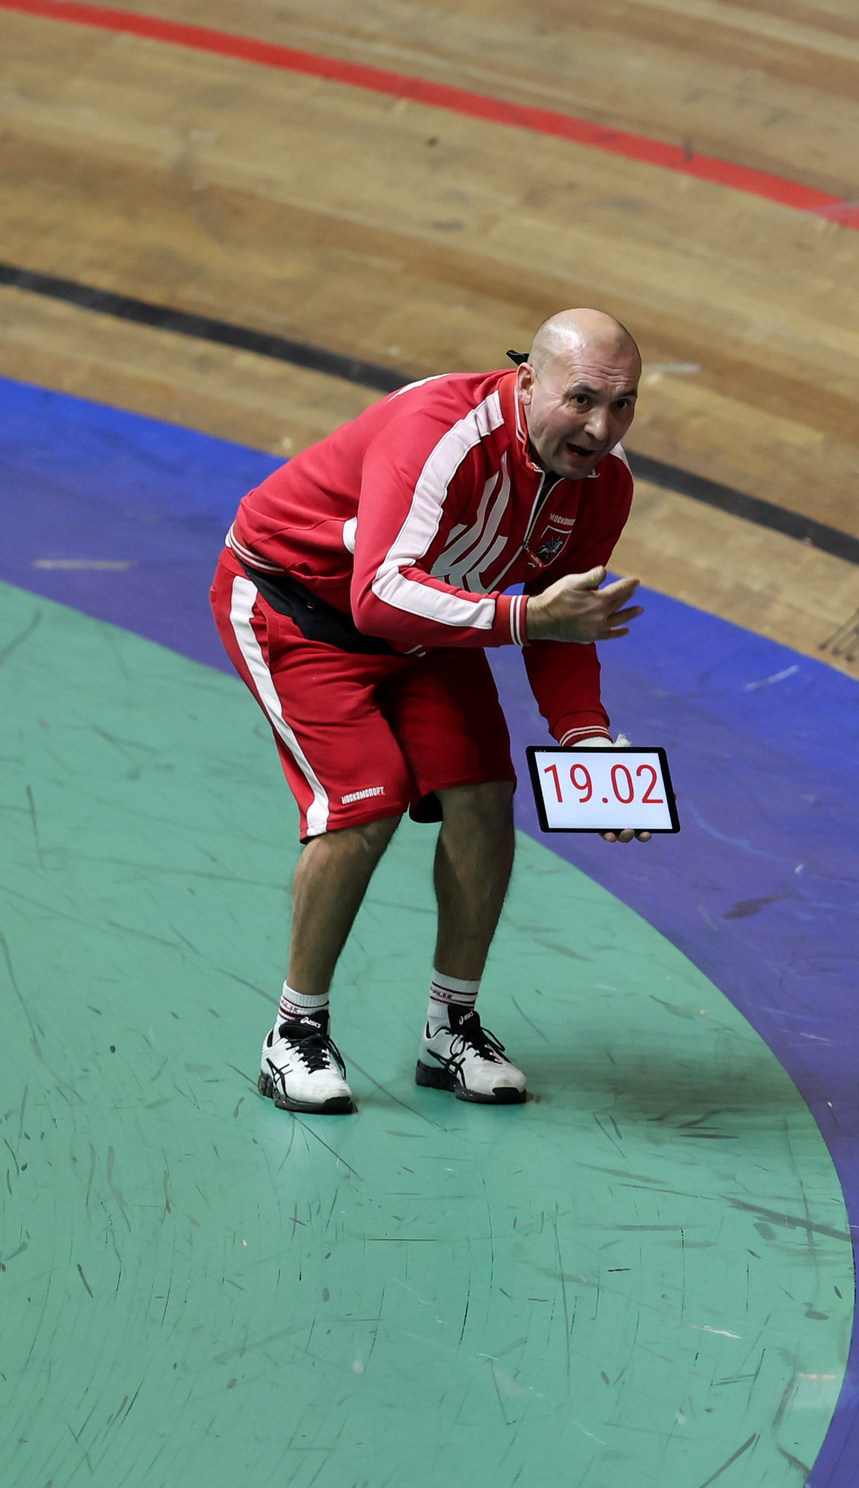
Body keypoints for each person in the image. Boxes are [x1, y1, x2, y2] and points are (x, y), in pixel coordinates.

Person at [212, 309, 652, 1116]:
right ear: (528, 383)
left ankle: (450, 1028)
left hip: (429, 620)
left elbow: (566, 621)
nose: (601, 426)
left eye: (621, 404)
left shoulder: (602, 485)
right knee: (363, 801)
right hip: (298, 605)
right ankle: (293, 1031)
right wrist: (526, 617)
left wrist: (586, 739)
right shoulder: (441, 431)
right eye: (581, 399)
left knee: (484, 794)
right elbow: (379, 596)